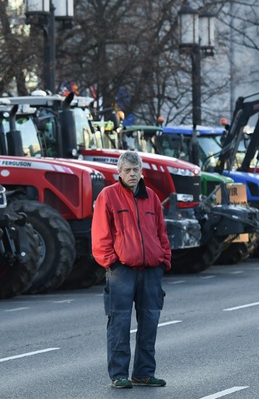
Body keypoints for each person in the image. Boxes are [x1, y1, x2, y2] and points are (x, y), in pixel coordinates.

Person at [91, 150, 171, 389]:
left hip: (151, 270)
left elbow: (161, 231)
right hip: (121, 271)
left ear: (141, 171)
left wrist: (164, 258)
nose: (132, 174)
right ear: (119, 172)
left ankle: (144, 373)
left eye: (136, 170)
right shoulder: (108, 196)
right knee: (119, 322)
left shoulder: (152, 197)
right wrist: (111, 262)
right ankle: (119, 374)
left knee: (150, 322)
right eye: (127, 170)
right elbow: (100, 234)